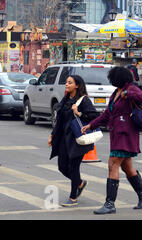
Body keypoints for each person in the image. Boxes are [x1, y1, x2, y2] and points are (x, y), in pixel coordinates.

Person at [81, 67, 142, 214]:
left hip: (126, 134)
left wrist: (128, 93)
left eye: (112, 77)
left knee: (113, 164)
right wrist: (91, 125)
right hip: (117, 133)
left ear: (118, 78)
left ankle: (110, 204)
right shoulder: (116, 93)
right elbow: (107, 114)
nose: (110, 80)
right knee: (126, 167)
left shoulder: (129, 89)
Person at [48, 75, 99, 207]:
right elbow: (59, 121)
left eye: (70, 83)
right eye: (66, 82)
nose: (66, 84)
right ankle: (80, 183)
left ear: (77, 85)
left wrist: (79, 113)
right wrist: (52, 135)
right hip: (64, 139)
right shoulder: (65, 100)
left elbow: (94, 116)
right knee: (62, 166)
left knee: (74, 166)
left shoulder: (84, 101)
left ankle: (73, 197)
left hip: (77, 139)